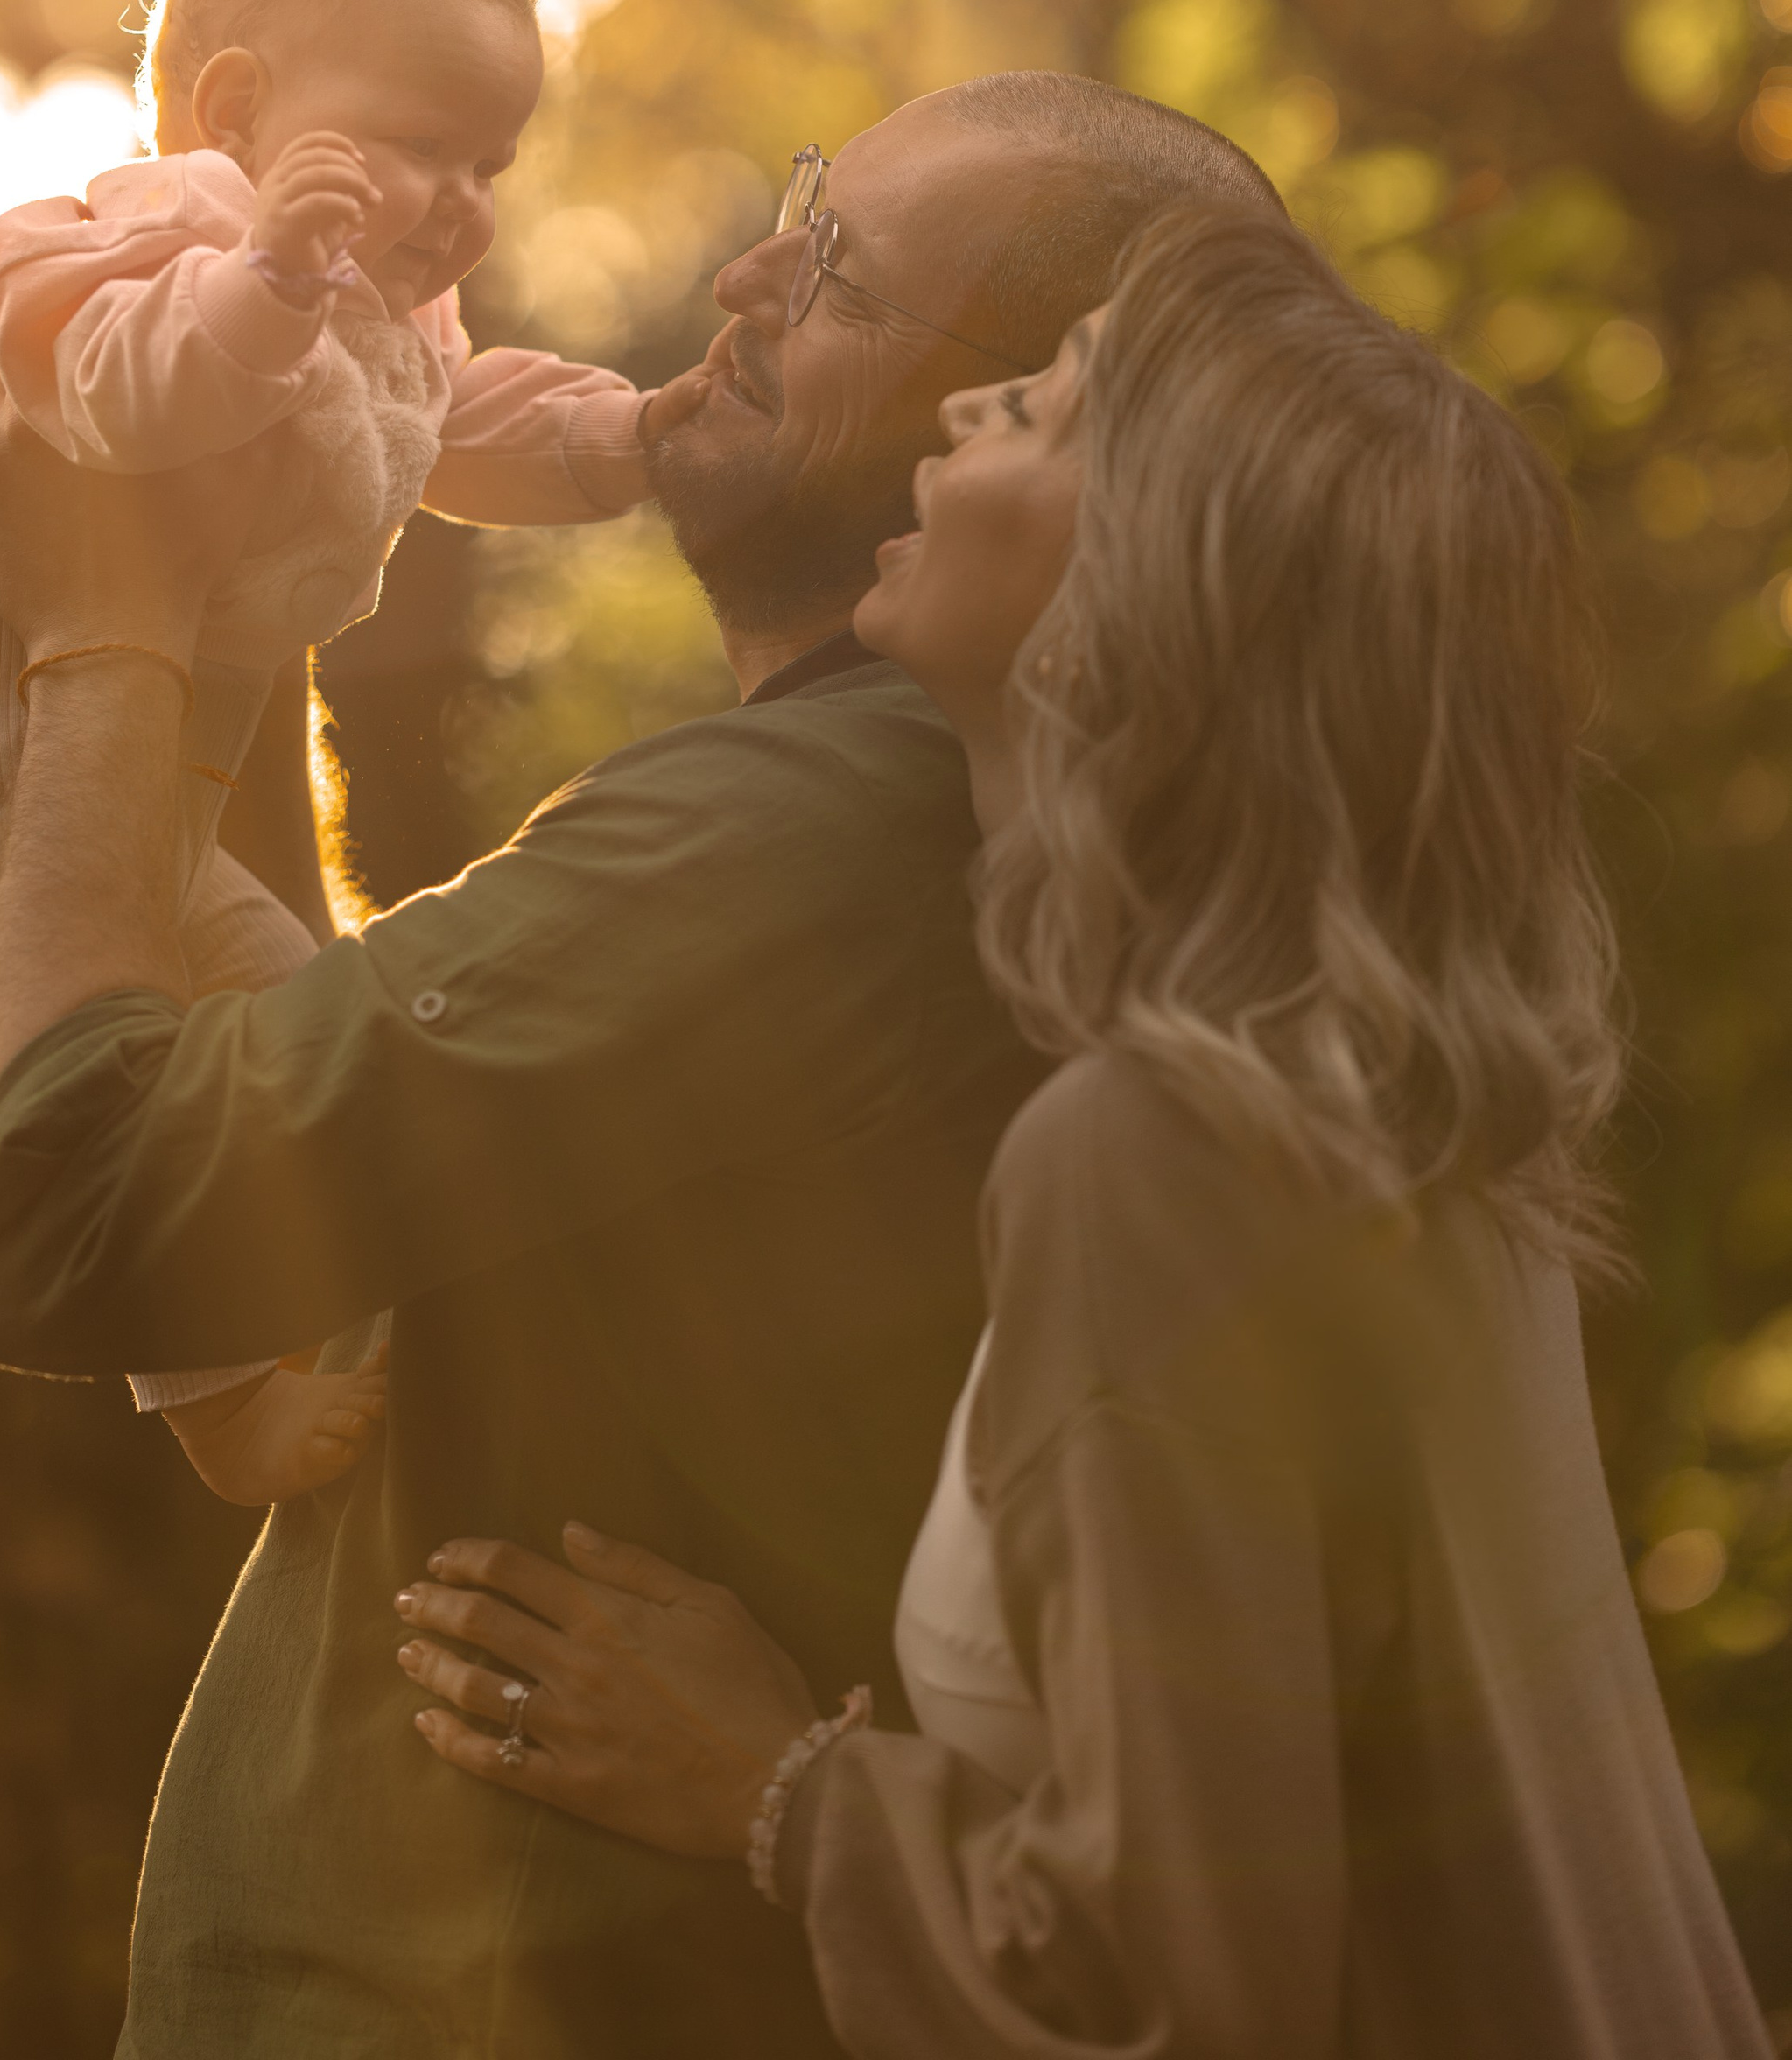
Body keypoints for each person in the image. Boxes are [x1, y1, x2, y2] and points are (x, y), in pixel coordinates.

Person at [0, 74, 1283, 2059]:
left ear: (1031, 417)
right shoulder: (983, 806)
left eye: (832, 268)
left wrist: (104, 632)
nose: (745, 270)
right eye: (795, 203)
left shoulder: (813, 833)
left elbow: (65, 1212)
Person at [394, 207, 1773, 2060]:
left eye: (1039, 410)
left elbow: (1181, 1998)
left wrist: (775, 1787)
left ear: (1153, 595)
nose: (961, 408)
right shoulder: (1399, 1128)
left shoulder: (1159, 1157)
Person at [0, 0, 657, 1466]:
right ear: (233, 112)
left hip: (112, 823)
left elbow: (455, 433)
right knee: (299, 1040)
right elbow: (136, 393)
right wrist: (270, 278)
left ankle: (262, 1374)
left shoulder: (375, 310)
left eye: (493, 160)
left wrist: (635, 440)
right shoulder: (144, 232)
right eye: (424, 146)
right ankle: (223, 1409)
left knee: (285, 1034)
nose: (466, 205)